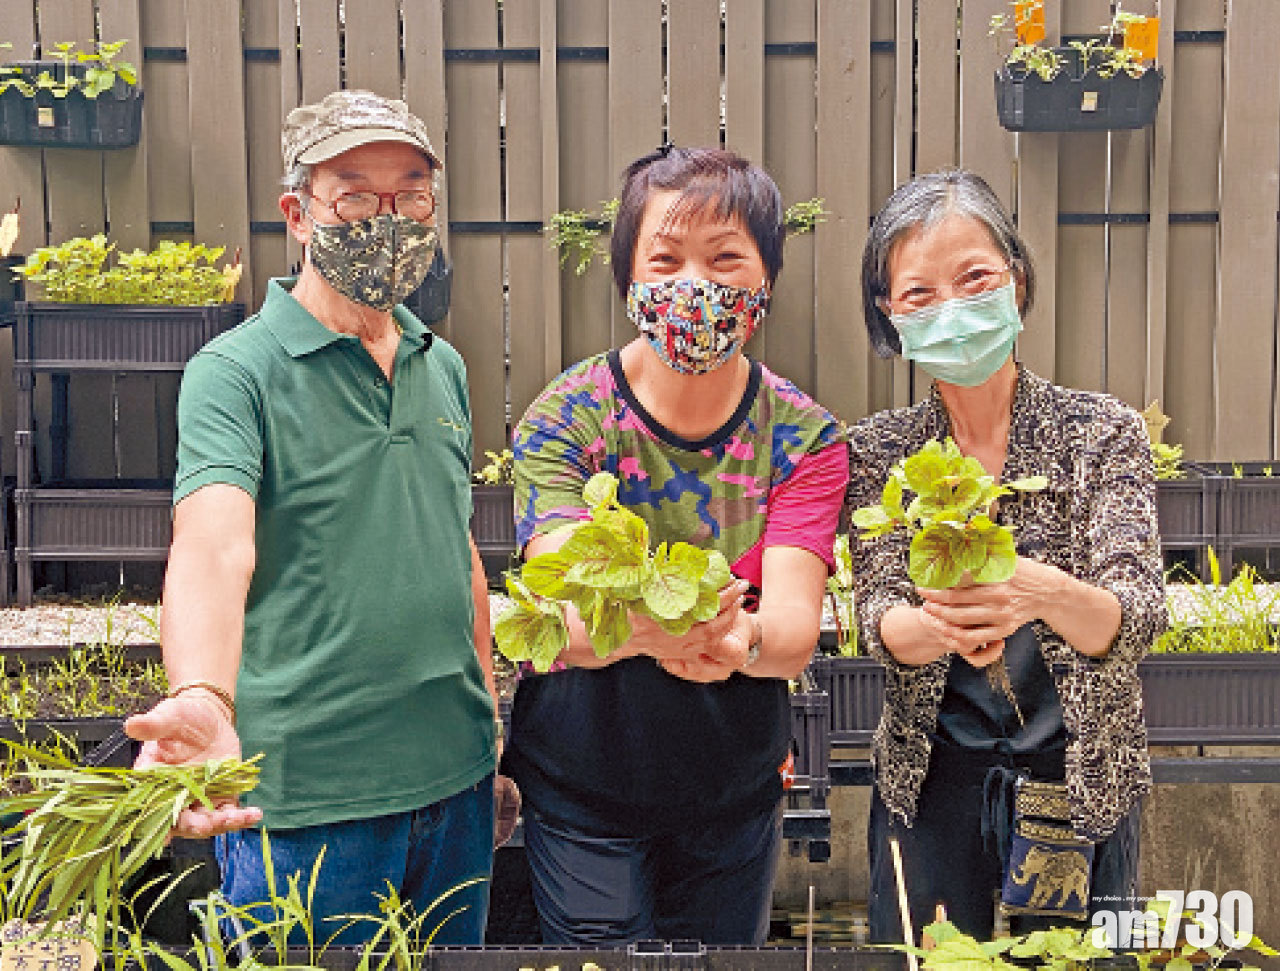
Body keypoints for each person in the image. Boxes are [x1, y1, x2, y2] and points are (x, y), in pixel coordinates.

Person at [124, 89, 510, 946]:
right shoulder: (236, 372)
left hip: (454, 790)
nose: (390, 218)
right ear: (299, 214)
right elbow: (214, 545)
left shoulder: (438, 361)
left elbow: (455, 547)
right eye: (356, 196)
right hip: (306, 802)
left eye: (411, 196)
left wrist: (488, 720)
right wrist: (201, 695)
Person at [504, 145, 848, 946]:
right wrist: (664, 632)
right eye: (666, 259)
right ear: (631, 281)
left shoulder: (802, 435)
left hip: (732, 787)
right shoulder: (567, 418)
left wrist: (739, 641)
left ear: (764, 283)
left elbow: (792, 630)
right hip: (582, 782)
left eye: (726, 259)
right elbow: (560, 618)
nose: (695, 283)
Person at [848, 169, 1167, 943]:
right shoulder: (881, 451)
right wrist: (949, 625)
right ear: (891, 317)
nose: (952, 309)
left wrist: (1041, 590)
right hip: (930, 783)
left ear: (1016, 284)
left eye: (975, 279)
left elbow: (1135, 615)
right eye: (919, 294)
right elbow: (878, 616)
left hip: (1079, 776)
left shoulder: (1100, 433)